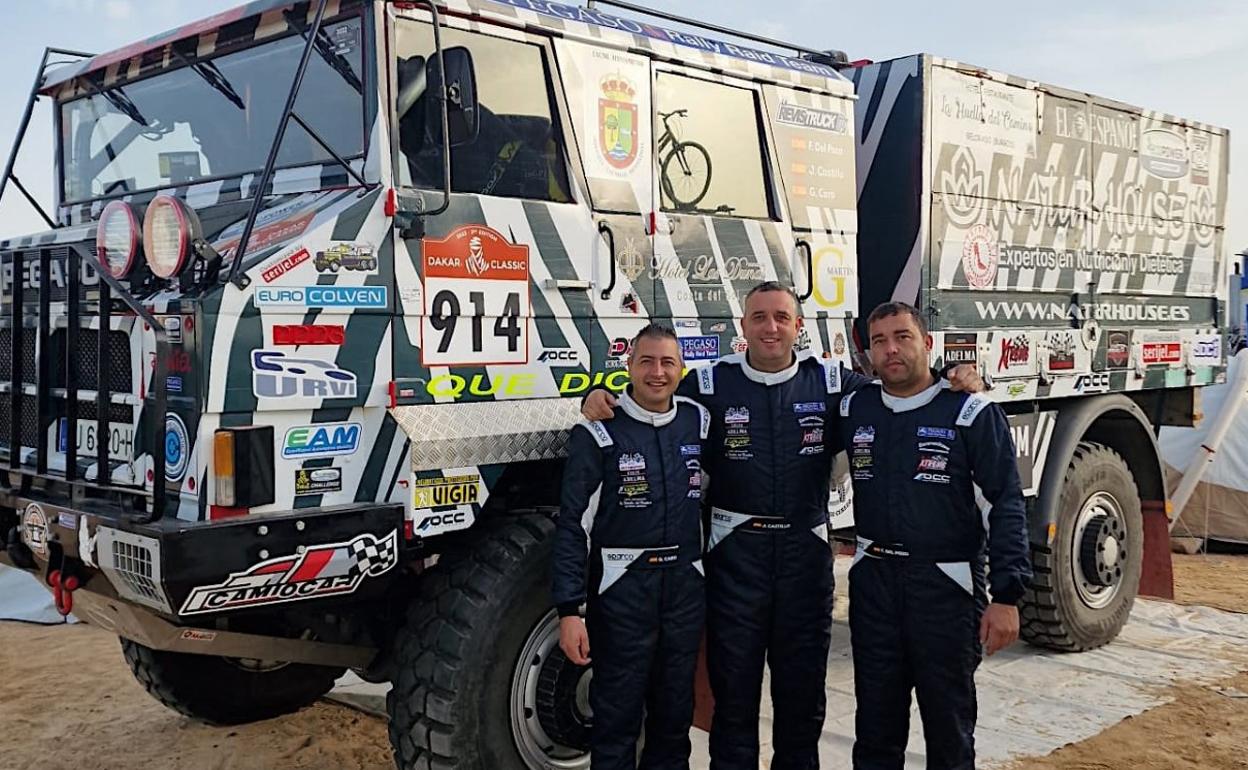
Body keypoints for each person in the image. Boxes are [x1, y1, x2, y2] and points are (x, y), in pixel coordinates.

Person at [582, 282, 984, 770]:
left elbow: (901, 385)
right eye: (758, 317)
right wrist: (598, 392)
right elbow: (649, 394)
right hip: (736, 555)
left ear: (798, 326)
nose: (770, 327)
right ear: (742, 328)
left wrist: (954, 374)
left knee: (801, 693)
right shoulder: (709, 384)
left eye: (780, 317)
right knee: (734, 694)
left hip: (804, 554)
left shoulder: (833, 383)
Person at [838, 302, 1031, 769]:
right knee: (876, 729)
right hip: (874, 582)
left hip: (946, 585)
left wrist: (1007, 595)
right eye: (879, 341)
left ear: (926, 343)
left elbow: (1004, 504)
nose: (891, 349)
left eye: (902, 337)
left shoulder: (970, 412)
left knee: (948, 728)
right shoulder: (853, 405)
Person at [553, 323, 710, 770]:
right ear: (628, 367)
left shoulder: (698, 420)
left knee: (673, 721)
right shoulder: (597, 433)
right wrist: (569, 611)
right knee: (616, 724)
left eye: (667, 363)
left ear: (681, 369)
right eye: (646, 362)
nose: (657, 373)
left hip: (683, 590)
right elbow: (572, 528)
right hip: (621, 594)